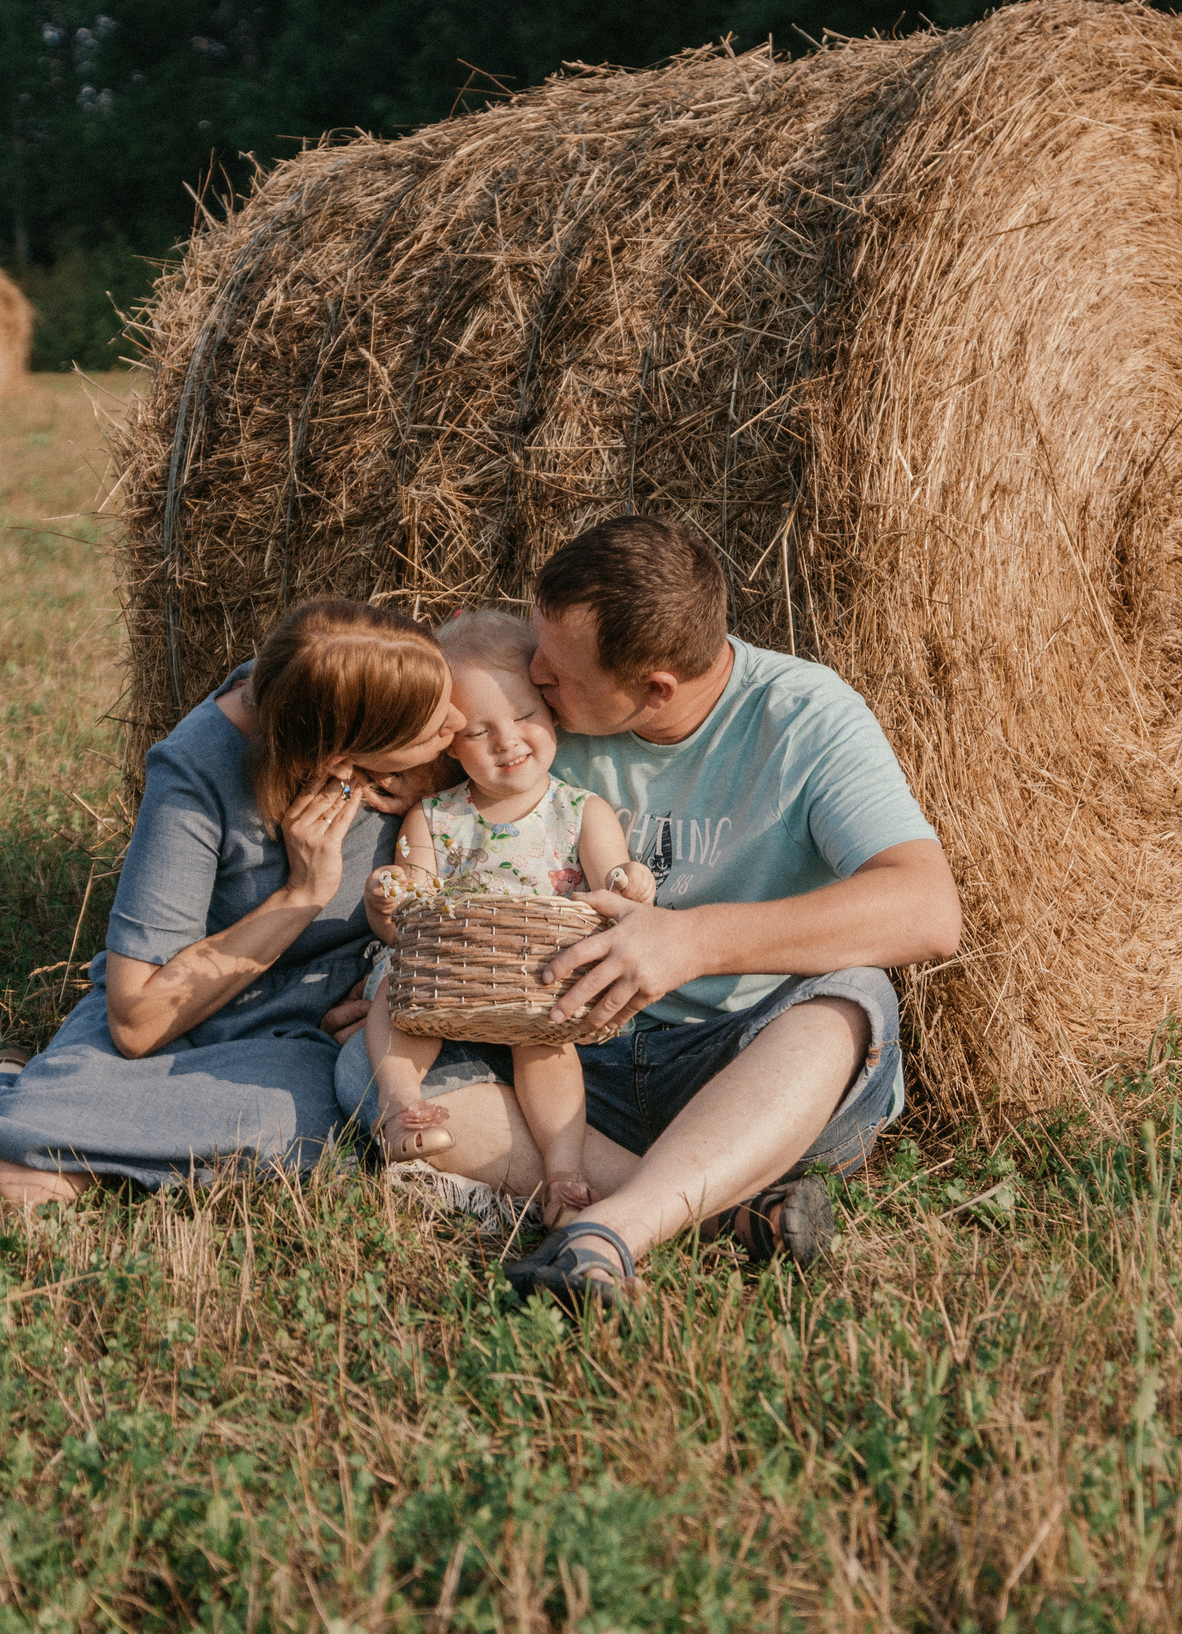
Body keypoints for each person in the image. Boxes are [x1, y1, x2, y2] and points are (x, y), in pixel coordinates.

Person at [331, 517, 962, 1307]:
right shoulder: (536, 713)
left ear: (654, 686)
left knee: (853, 997)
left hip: (736, 1066)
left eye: (556, 674)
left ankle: (608, 1231)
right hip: (560, 1050)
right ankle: (708, 1207)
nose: (536, 678)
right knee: (367, 1069)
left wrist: (692, 941)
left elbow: (929, 907)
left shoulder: (803, 718)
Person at [0, 599, 463, 1203]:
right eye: (435, 731)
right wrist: (302, 895)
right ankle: (14, 1098)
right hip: (184, 1017)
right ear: (339, 755)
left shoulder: (411, 734)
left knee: (314, 1117)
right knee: (13, 1186)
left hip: (307, 1038)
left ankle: (36, 1110)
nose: (459, 728)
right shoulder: (195, 770)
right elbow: (137, 1020)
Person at [359, 610, 655, 1223]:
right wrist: (387, 892)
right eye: (477, 732)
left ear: (551, 713)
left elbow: (615, 885)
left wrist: (632, 883)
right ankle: (402, 1107)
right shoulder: (436, 816)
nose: (506, 741)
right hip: (449, 973)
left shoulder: (580, 811)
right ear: (447, 742)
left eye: (523, 716)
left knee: (547, 1046)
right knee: (396, 991)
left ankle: (563, 1170)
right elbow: (409, 901)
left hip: (535, 975)